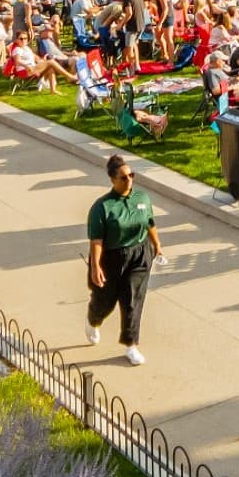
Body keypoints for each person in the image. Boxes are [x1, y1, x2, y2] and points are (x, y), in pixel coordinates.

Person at [85, 153, 164, 367]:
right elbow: (97, 241)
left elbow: (149, 223)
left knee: (133, 299)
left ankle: (131, 344)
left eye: (131, 175)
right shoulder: (102, 207)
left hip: (139, 254)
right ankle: (93, 319)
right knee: (105, 301)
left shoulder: (142, 199)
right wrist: (95, 266)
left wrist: (157, 245)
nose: (129, 179)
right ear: (113, 180)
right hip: (111, 257)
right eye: (124, 177)